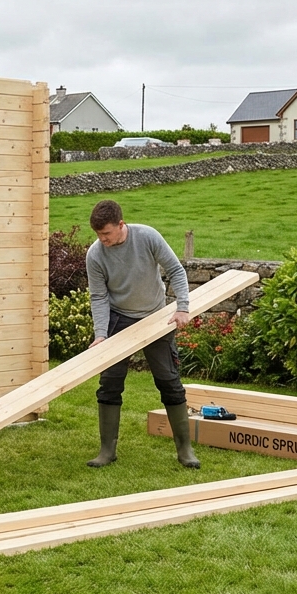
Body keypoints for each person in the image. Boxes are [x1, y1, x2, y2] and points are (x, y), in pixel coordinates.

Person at [83, 199, 199, 469]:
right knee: (110, 383)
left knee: (169, 380)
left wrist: (182, 307)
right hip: (119, 318)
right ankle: (106, 451)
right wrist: (101, 334)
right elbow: (98, 297)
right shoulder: (96, 254)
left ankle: (185, 450)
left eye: (107, 234)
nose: (102, 239)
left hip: (155, 316)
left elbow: (175, 270)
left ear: (121, 225)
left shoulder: (147, 237)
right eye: (98, 235)